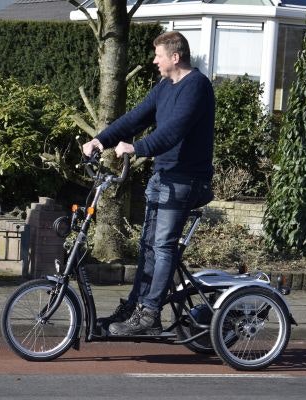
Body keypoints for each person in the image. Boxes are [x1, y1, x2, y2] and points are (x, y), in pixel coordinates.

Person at [82, 31, 215, 336]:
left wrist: (136, 148)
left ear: (175, 57)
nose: (154, 60)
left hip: (186, 180)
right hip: (163, 177)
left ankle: (150, 314)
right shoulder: (165, 86)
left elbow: (173, 131)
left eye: (158, 55)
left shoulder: (197, 86)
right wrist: (99, 141)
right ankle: (135, 306)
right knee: (147, 247)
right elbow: (135, 118)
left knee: (164, 245)